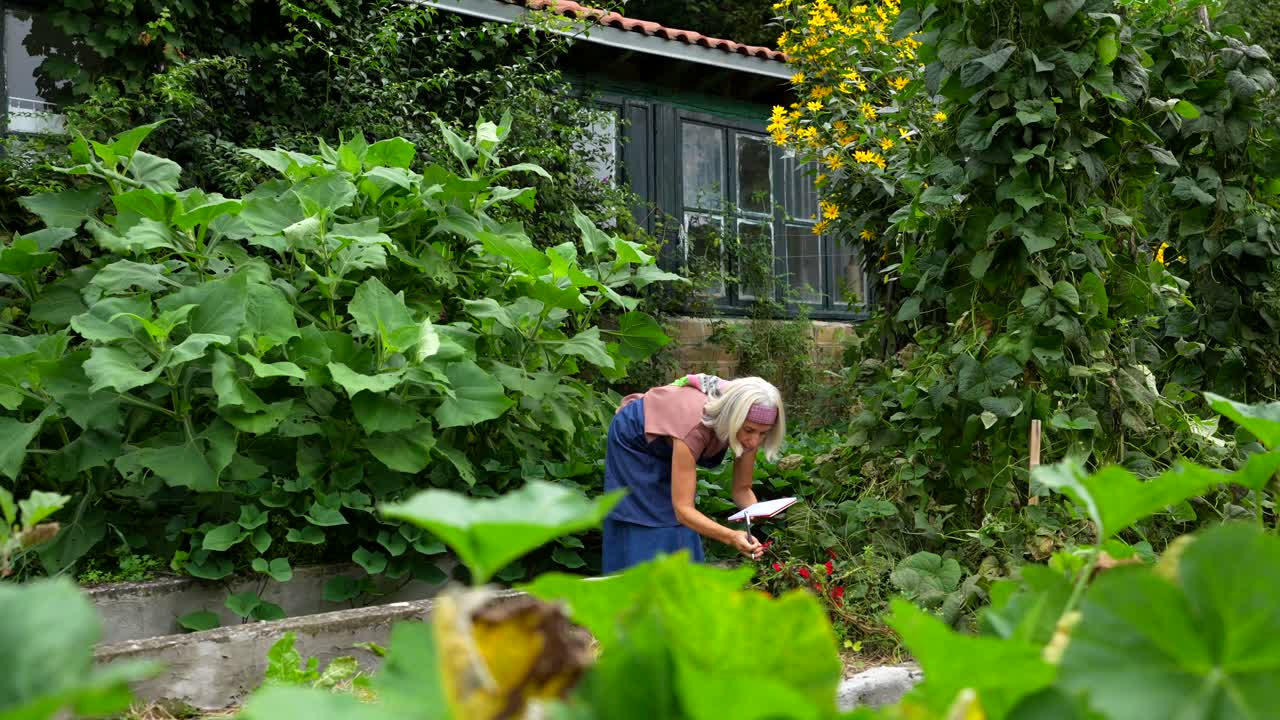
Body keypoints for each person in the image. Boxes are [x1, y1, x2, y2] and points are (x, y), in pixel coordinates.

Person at [601, 373, 786, 573]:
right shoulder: (694, 428)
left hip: (673, 434)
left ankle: (683, 586)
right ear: (733, 418)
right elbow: (683, 511)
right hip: (634, 438)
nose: (754, 441)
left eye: (763, 433)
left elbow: (742, 490)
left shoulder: (751, 423)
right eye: (749, 430)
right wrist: (731, 536)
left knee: (678, 520)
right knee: (644, 517)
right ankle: (635, 585)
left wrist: (766, 517)